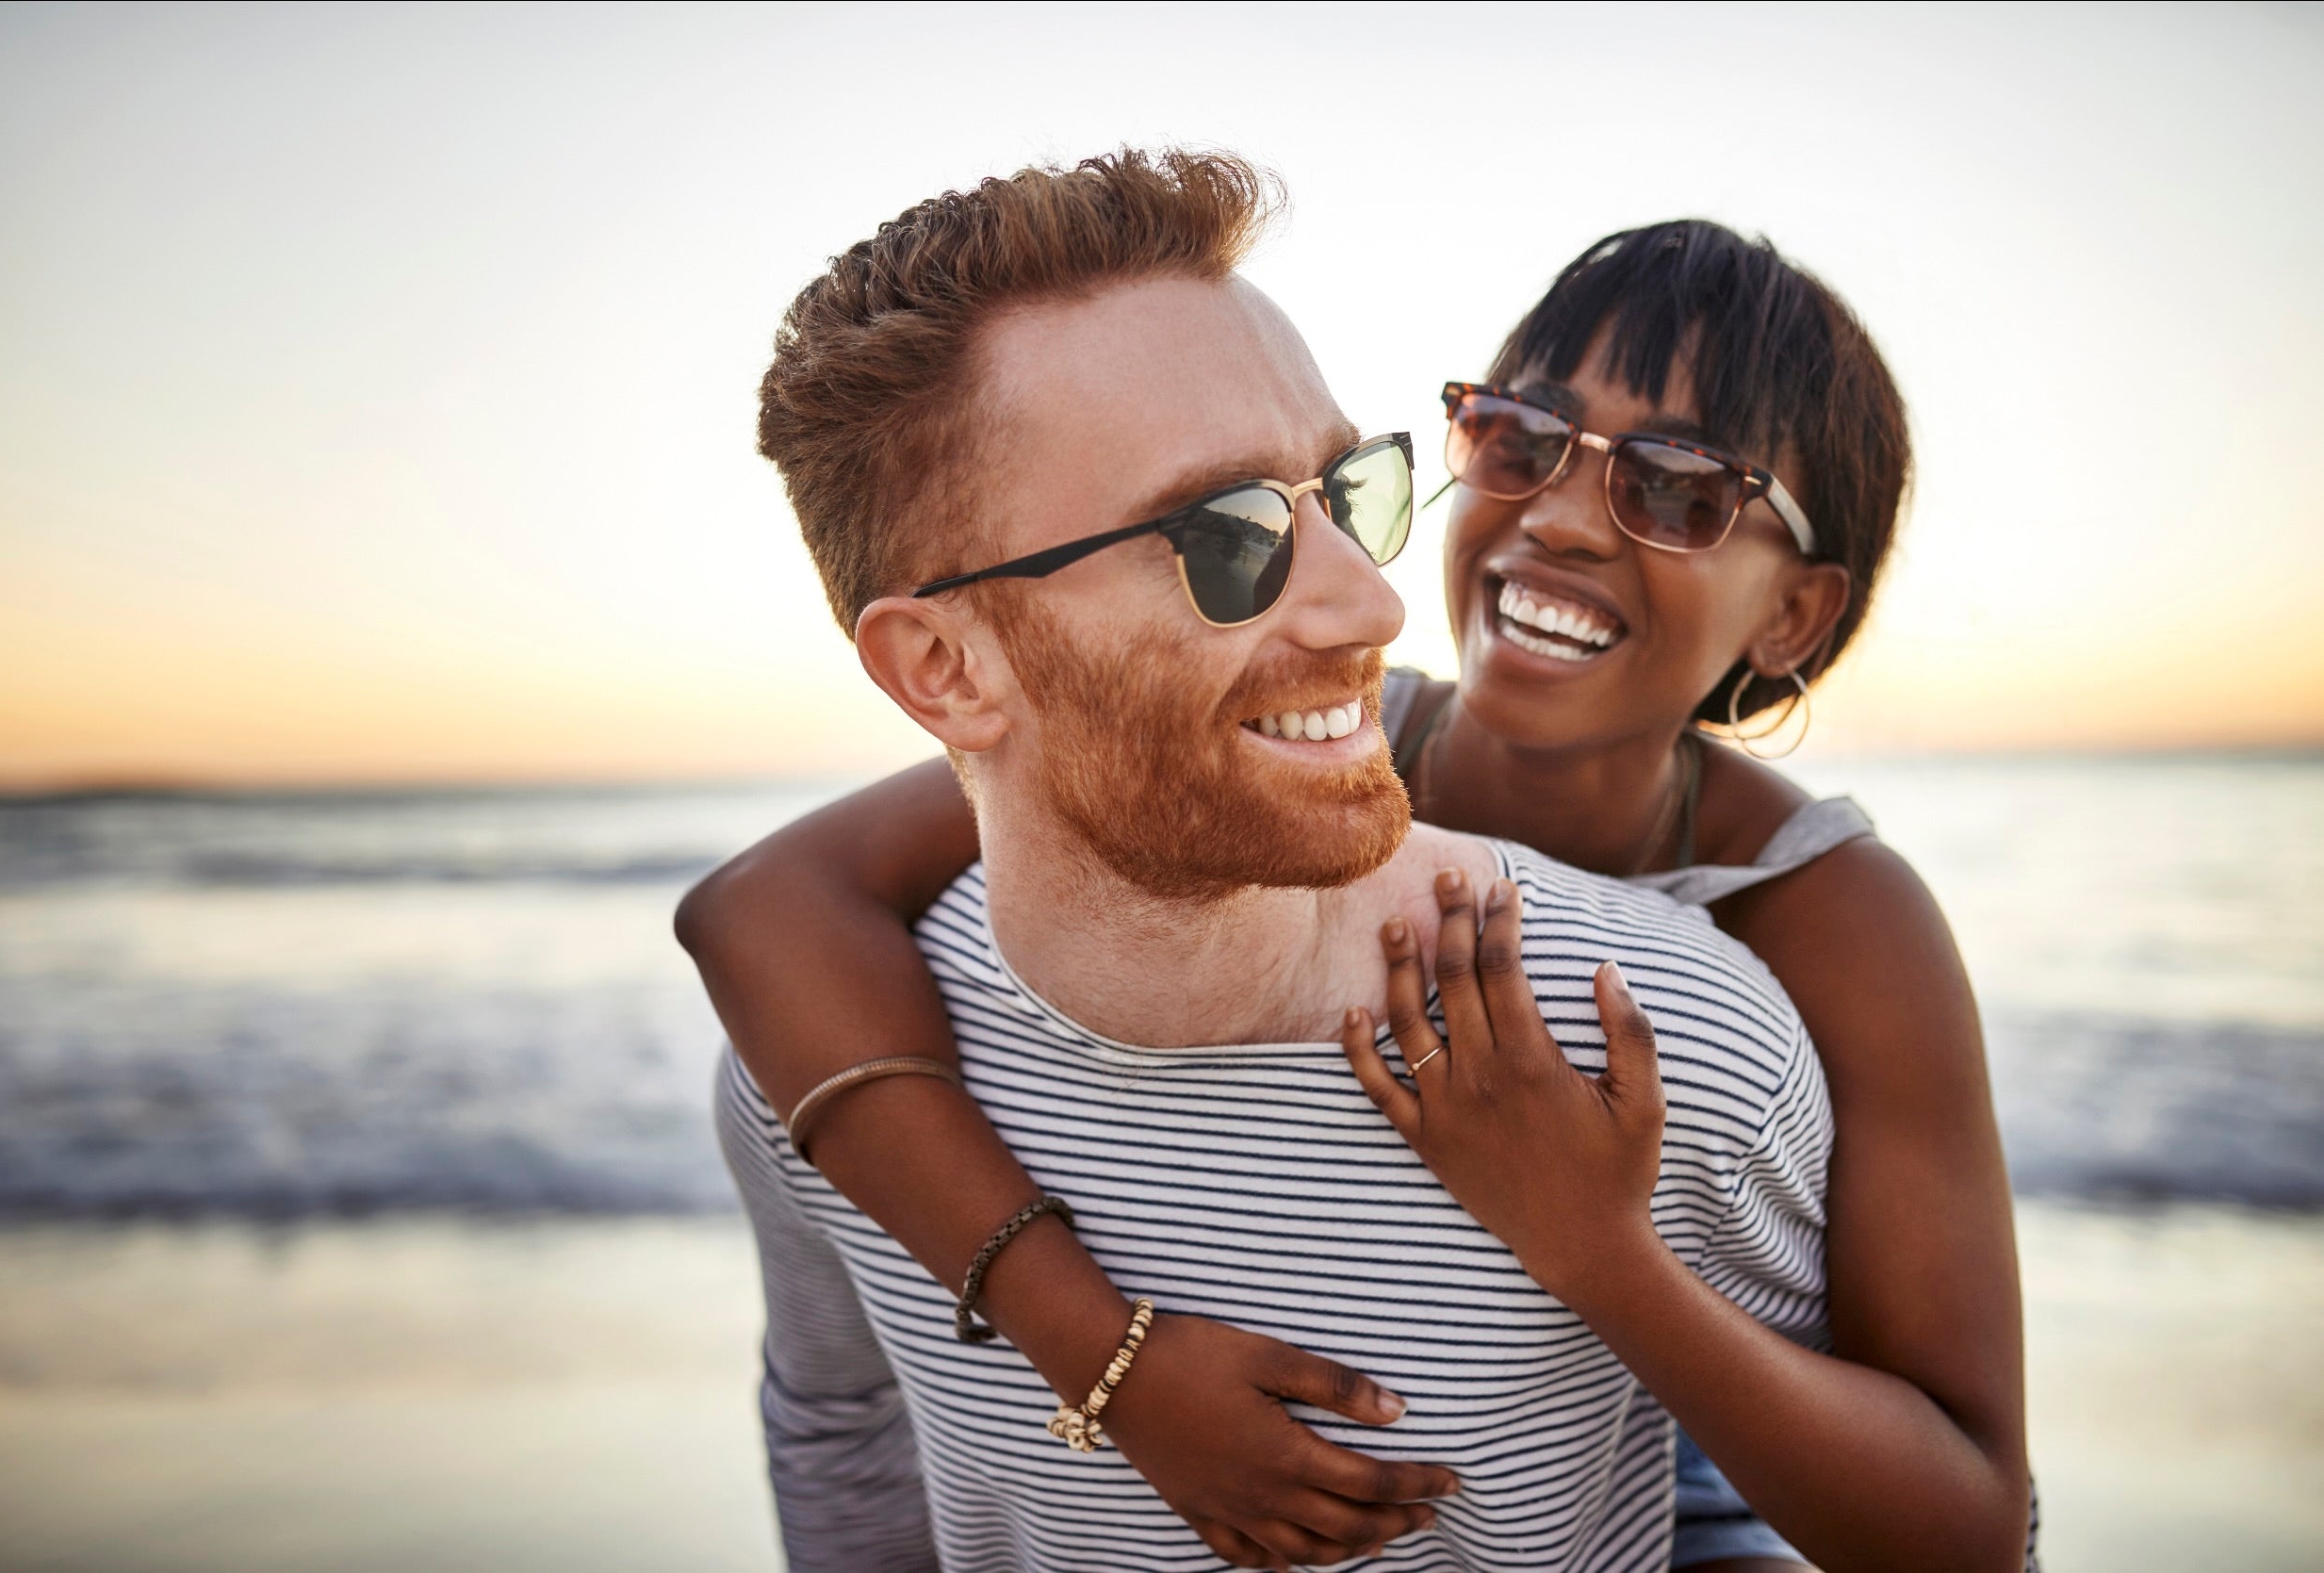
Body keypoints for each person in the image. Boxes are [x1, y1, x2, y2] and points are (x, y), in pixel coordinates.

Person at [686, 155, 2033, 1569]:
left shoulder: (1820, 923)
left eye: (1681, 490)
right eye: (1521, 441)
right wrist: (1100, 1352)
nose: (1563, 517)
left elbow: (1967, 1512)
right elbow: (766, 907)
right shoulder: (1314, 741)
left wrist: (1592, 1249)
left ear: (1795, 615)